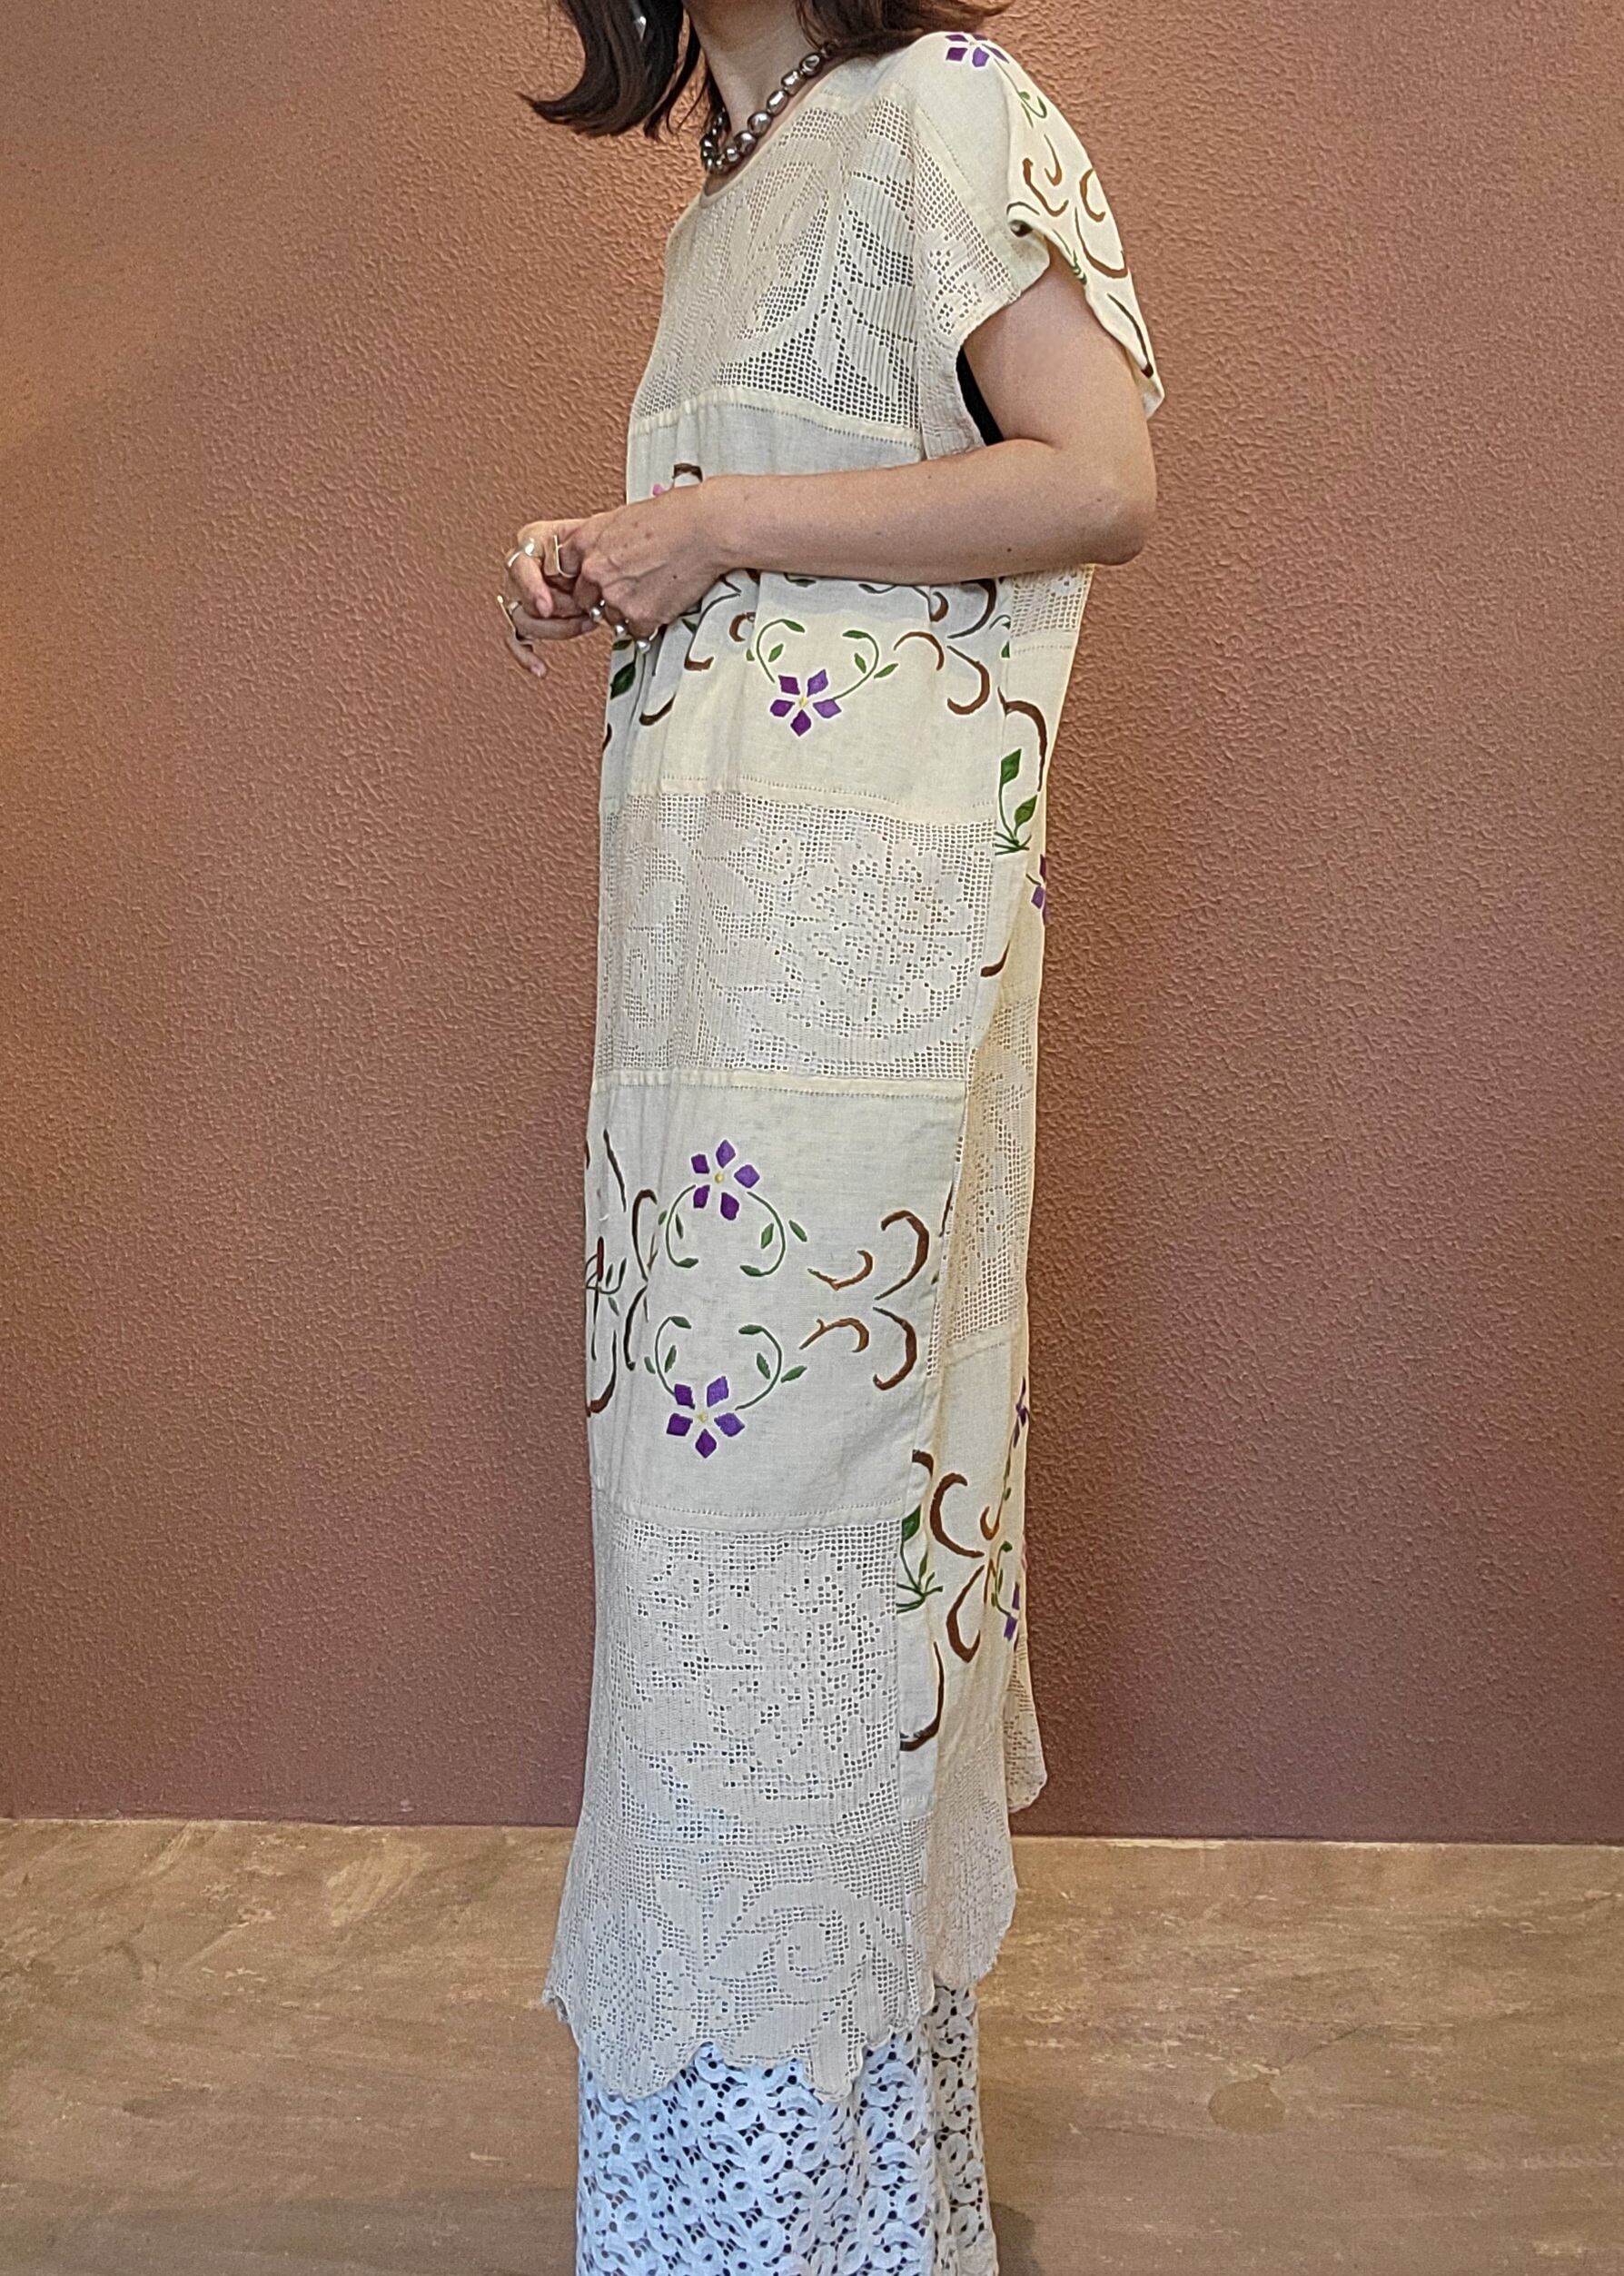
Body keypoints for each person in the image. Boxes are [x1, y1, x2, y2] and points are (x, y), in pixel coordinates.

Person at [499, 2, 1164, 2266]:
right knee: (705, 1576)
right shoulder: (723, 190)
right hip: (707, 1007)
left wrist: (718, 520)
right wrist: (618, 547)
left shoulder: (939, 109)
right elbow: (783, 551)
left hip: (854, 1013)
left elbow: (1099, 468)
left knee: (812, 1555)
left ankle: (784, 2224)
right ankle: (820, 2216)